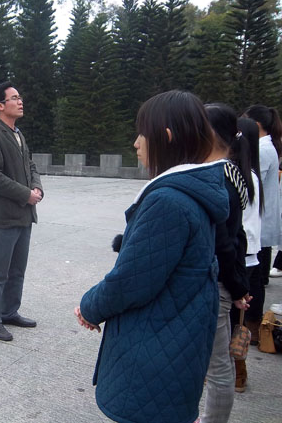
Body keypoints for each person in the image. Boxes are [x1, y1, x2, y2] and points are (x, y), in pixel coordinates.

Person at [75, 90, 229, 423]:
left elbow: (131, 281)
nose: (136, 143)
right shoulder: (194, 190)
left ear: (166, 136)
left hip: (157, 349)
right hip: (179, 341)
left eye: (142, 133)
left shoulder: (169, 201)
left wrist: (89, 307)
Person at [0, 81, 43, 342]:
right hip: (4, 217)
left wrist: (37, 187)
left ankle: (8, 312)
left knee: (17, 270)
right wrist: (26, 194)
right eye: (14, 98)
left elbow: (31, 165)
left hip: (24, 215)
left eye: (20, 97)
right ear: (0, 105)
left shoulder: (18, 133)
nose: (20, 101)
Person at [200, 104, 251, 423]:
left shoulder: (217, 178)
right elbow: (238, 237)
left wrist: (235, 287)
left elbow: (224, 244)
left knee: (218, 368)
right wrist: (240, 285)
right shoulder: (232, 173)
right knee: (216, 365)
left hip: (216, 283)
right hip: (224, 280)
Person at [230, 116, 263, 393]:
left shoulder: (237, 175)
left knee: (228, 319)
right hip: (249, 255)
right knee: (234, 318)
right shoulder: (251, 173)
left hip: (239, 255)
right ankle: (237, 373)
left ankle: (236, 374)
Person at [243, 105, 282, 289]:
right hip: (263, 213)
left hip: (261, 214)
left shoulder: (262, 149)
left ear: (256, 124)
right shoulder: (265, 146)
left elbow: (255, 182)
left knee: (257, 276)